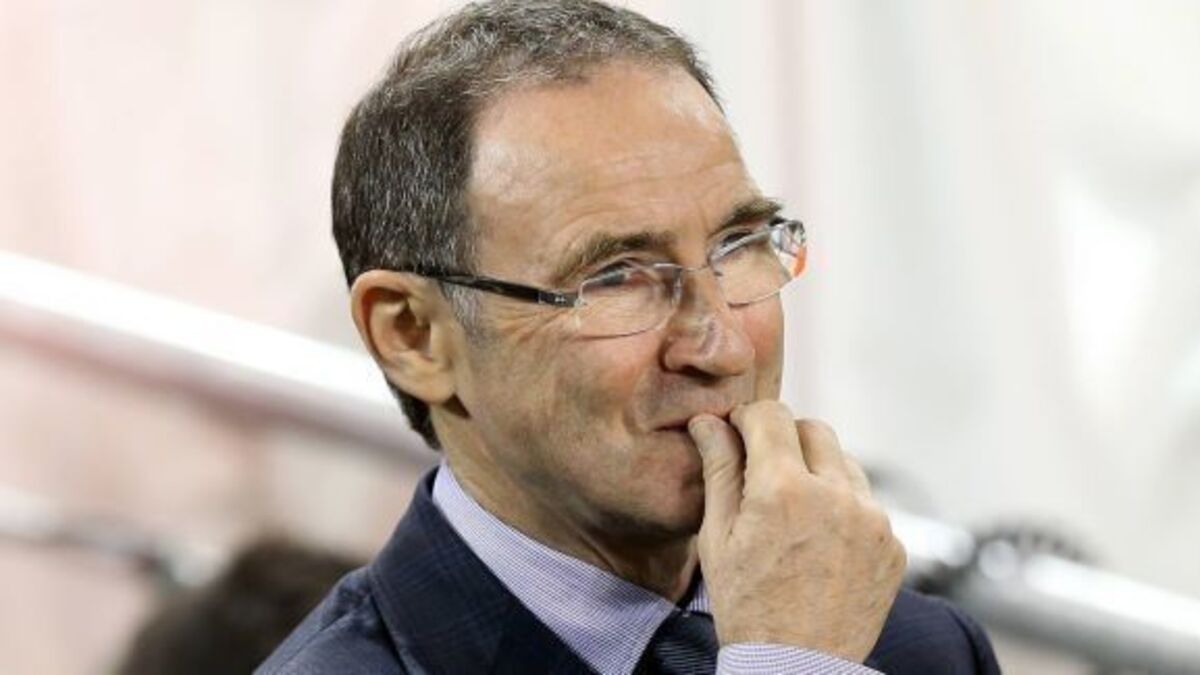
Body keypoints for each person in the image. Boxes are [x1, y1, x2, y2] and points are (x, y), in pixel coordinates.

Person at [259, 1, 1001, 673]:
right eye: (617, 277)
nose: (724, 348)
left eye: (740, 243)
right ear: (414, 334)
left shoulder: (917, 649)